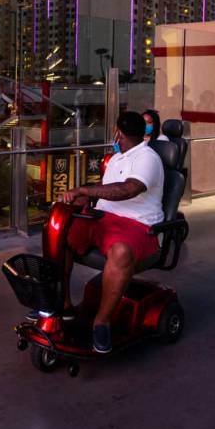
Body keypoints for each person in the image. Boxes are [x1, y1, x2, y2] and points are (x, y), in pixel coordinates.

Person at [59, 111, 165, 353]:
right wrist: (79, 202)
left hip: (138, 224)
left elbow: (129, 189)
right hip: (104, 219)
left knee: (120, 252)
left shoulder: (148, 158)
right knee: (62, 232)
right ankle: (63, 304)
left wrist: (85, 191)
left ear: (119, 133)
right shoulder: (117, 158)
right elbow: (105, 196)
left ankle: (102, 322)